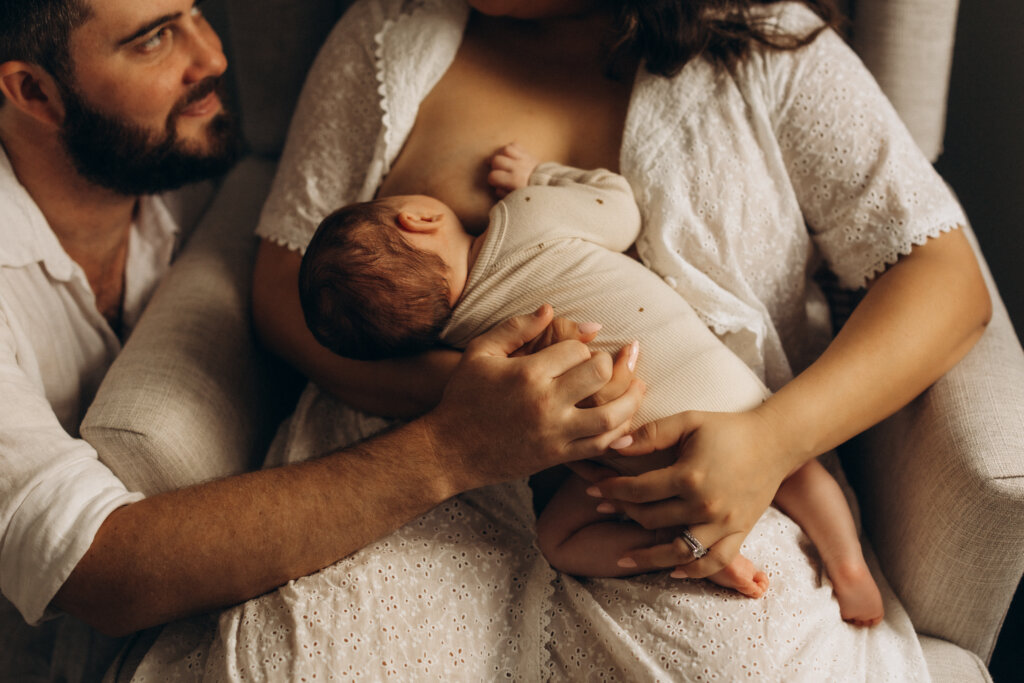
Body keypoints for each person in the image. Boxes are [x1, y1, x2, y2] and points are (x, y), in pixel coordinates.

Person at [239, 0, 991, 678]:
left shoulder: (773, 45)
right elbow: (285, 288)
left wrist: (770, 440)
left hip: (712, 459)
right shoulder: (392, 32)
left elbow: (946, 284)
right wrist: (490, 409)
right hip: (420, 475)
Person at [0, 1, 642, 679]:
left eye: (193, 11)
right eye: (154, 39)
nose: (214, 56)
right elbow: (95, 568)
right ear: (34, 92)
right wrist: (455, 444)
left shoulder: (182, 165)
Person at [298, 143, 887, 623]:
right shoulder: (519, 219)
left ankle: (685, 554)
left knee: (560, 542)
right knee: (800, 470)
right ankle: (851, 568)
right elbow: (619, 205)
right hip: (718, 398)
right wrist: (544, 175)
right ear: (419, 217)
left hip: (624, 471)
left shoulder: (474, 357)